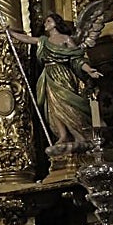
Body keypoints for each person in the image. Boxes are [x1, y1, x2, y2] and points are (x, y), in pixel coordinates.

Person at [7, 13, 103, 150]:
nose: (45, 23)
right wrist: (10, 32)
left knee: (66, 104)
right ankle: (63, 134)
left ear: (56, 23)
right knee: (53, 106)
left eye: (48, 21)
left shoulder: (66, 39)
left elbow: (76, 58)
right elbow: (27, 39)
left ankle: (79, 135)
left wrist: (89, 70)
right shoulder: (43, 40)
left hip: (63, 74)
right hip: (49, 75)